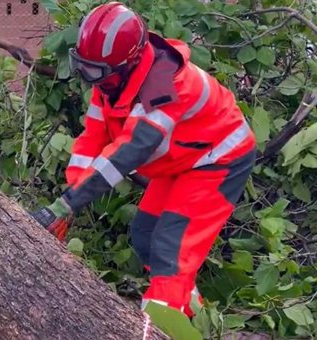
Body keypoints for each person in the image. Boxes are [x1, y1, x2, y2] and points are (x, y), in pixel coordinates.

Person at [29, 2, 256, 318]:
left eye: (94, 72)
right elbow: (93, 137)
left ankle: (160, 325)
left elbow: (126, 154)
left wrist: (66, 204)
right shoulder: (110, 80)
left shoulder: (166, 86)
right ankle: (190, 314)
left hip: (217, 160)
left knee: (170, 251)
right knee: (145, 233)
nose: (88, 77)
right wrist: (69, 201)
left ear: (128, 63)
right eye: (83, 67)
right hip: (182, 161)